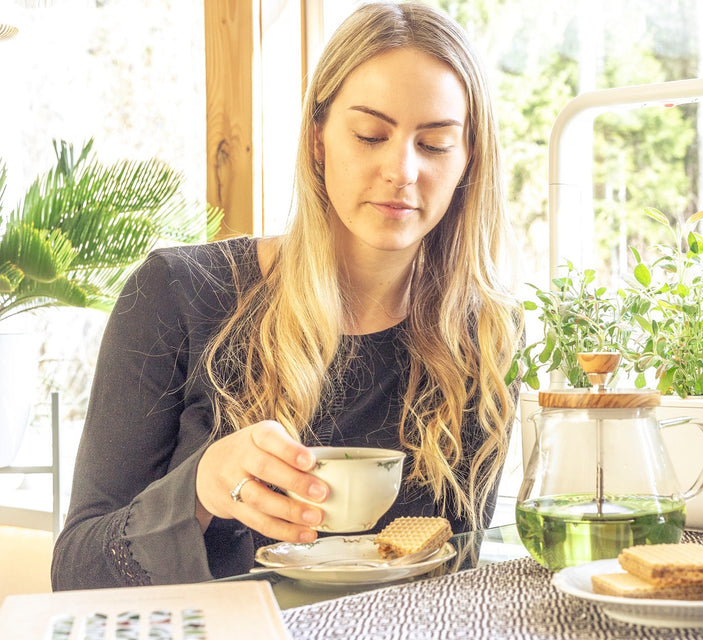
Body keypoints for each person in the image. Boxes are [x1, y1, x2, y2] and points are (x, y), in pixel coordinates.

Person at [51, 1, 521, 589]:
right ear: (318, 138)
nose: (401, 169)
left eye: (434, 144)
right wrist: (201, 489)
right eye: (370, 134)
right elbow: (75, 573)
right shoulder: (177, 293)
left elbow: (457, 578)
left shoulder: (482, 336)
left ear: (469, 157)